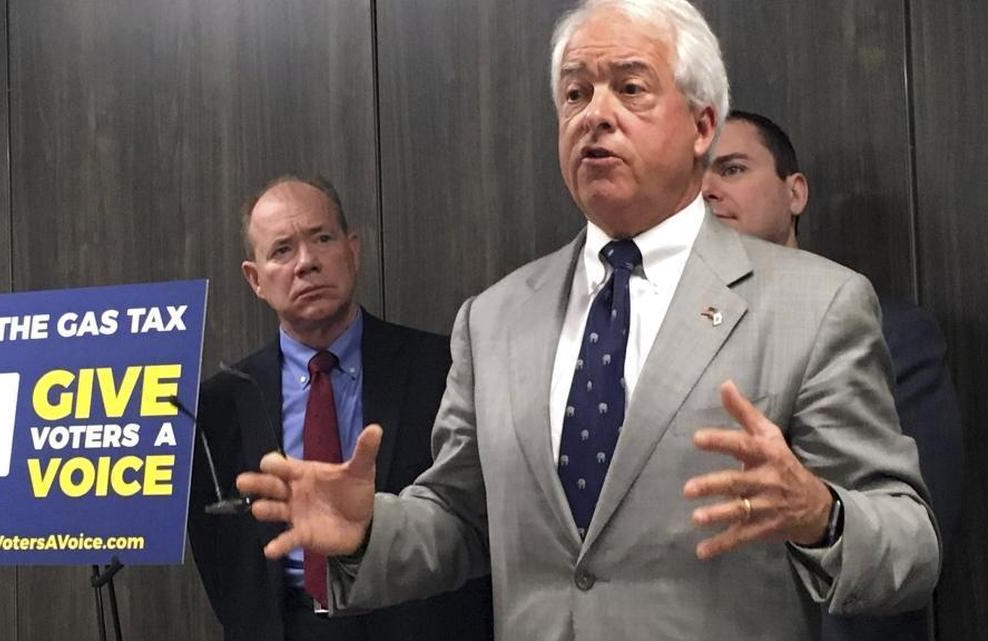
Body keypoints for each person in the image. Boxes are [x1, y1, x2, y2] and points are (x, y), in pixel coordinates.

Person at [238, 2, 941, 639]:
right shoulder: (494, 318)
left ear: (702, 125)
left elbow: (909, 545)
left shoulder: (815, 305)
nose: (593, 113)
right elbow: (460, 516)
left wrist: (821, 513)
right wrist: (367, 530)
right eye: (575, 93)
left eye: (629, 88)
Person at [187, 175, 492, 641]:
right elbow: (222, 557)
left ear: (353, 250)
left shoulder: (442, 368)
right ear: (255, 279)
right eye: (282, 251)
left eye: (322, 239)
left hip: (418, 621)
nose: (307, 263)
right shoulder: (218, 405)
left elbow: (469, 517)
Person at [703, 109, 963, 641]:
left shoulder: (896, 336)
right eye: (695, 177)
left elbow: (915, 543)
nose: (706, 190)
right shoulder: (682, 344)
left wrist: (818, 512)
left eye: (731, 169)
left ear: (794, 193)